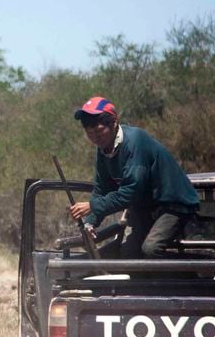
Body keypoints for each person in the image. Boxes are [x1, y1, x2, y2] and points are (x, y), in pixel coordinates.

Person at [68, 97, 199, 258]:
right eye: (90, 133)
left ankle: (192, 277)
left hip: (173, 205)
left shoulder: (135, 142)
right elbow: (102, 188)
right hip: (145, 208)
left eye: (99, 130)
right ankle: (141, 283)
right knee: (129, 253)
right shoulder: (103, 149)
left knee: (151, 249)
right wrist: (90, 222)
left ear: (114, 122)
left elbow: (130, 192)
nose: (95, 137)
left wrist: (93, 206)